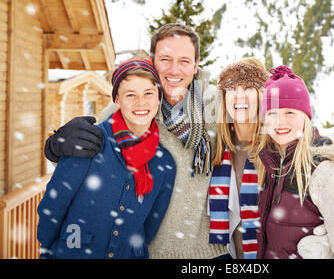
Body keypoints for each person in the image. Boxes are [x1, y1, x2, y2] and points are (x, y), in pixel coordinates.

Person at [43, 23, 227, 258]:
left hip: (206, 254)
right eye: (165, 59)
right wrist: (56, 148)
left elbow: (262, 139)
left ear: (196, 63)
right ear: (152, 60)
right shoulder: (122, 109)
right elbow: (83, 164)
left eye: (184, 60)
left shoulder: (216, 105)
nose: (174, 69)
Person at [37, 59, 176, 259]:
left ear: (158, 98)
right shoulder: (89, 141)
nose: (141, 102)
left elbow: (150, 225)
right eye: (130, 95)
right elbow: (53, 205)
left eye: (148, 93)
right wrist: (55, 249)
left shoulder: (165, 163)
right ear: (117, 100)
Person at [254, 65, 334, 259]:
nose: (280, 122)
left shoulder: (323, 171)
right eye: (272, 113)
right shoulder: (268, 163)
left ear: (305, 117)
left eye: (290, 112)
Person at [208, 58, 269, 259]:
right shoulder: (216, 146)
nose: (239, 97)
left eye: (248, 88)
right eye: (232, 89)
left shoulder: (275, 145)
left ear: (262, 96)